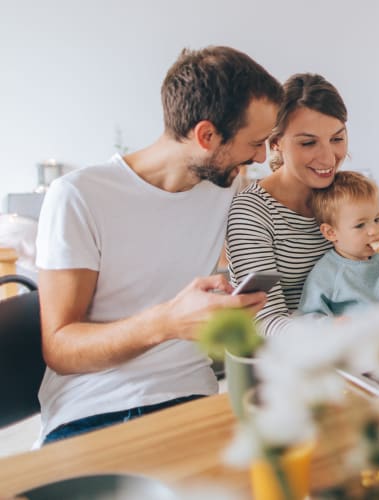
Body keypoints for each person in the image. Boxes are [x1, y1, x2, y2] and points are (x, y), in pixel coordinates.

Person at [35, 46, 283, 443]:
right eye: (255, 142)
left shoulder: (228, 186)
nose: (261, 156)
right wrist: (167, 323)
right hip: (95, 410)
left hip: (193, 401)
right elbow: (60, 348)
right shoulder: (79, 196)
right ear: (206, 135)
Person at [226, 73, 348, 336]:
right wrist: (336, 332)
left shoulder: (345, 195)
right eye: (308, 143)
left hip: (352, 349)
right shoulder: (252, 212)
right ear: (276, 143)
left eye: (337, 139)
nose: (329, 158)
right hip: (289, 359)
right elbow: (265, 321)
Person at [297, 171, 379, 317]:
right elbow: (307, 318)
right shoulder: (326, 273)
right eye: (360, 225)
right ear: (331, 233)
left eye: (377, 220)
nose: (373, 231)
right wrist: (335, 325)